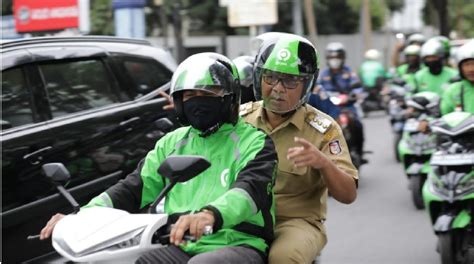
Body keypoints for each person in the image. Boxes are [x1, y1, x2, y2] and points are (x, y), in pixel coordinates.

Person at [39, 53, 278, 264]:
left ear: (229, 97)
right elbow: (133, 188)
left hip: (236, 242)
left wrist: (210, 215)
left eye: (207, 93)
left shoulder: (255, 142)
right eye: (189, 95)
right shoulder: (172, 143)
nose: (197, 100)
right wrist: (81, 217)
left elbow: (248, 191)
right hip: (182, 243)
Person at [240, 33, 358, 264]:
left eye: (291, 81)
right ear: (258, 78)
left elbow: (348, 195)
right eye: (270, 77)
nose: (278, 88)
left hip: (295, 222)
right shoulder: (238, 119)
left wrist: (322, 163)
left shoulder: (324, 129)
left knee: (283, 258)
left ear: (307, 84)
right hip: (241, 218)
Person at [441, 40, 474, 115]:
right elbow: (444, 116)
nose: (471, 69)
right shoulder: (452, 90)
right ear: (460, 67)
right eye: (467, 64)